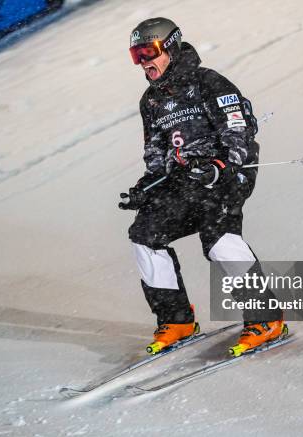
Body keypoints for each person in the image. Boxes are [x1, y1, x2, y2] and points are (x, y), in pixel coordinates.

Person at [119, 17, 285, 356]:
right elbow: (156, 156)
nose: (144, 62)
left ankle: (267, 319)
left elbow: (239, 131)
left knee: (219, 237)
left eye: (148, 52)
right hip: (184, 181)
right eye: (137, 55)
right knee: (146, 233)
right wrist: (146, 187)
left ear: (171, 46)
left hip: (227, 173)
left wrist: (218, 166)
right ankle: (176, 319)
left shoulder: (207, 82)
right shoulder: (150, 101)